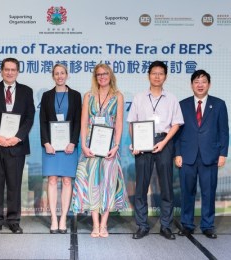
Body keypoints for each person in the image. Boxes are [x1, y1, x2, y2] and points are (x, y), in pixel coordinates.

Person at [127, 60, 184, 240]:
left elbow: (176, 124)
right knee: (141, 185)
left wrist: (165, 141)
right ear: (148, 75)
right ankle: (142, 225)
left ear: (165, 76)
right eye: (154, 73)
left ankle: (166, 226)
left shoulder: (172, 98)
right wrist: (136, 143)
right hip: (143, 141)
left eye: (161, 73)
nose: (157, 76)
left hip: (164, 141)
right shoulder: (139, 97)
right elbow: (132, 122)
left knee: (166, 186)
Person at [71, 63, 129, 238]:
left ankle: (104, 224)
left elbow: (119, 123)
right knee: (92, 185)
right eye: (98, 74)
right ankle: (95, 225)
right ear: (95, 77)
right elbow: (83, 122)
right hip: (91, 147)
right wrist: (83, 145)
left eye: (105, 74)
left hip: (110, 148)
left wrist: (116, 145)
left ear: (110, 75)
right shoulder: (88, 96)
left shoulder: (118, 96)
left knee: (108, 185)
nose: (102, 77)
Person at [0, 57, 35, 234]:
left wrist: (17, 137)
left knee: (14, 185)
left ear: (18, 72)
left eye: (13, 69)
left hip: (16, 147)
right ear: (1, 71)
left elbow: (29, 117)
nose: (10, 72)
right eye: (7, 69)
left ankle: (13, 221)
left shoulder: (27, 91)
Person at [175, 70, 229, 239]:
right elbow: (177, 132)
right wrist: (177, 153)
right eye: (196, 81)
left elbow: (224, 131)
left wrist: (223, 153)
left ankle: (207, 225)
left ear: (209, 84)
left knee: (209, 192)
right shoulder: (182, 104)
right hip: (187, 156)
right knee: (187, 192)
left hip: (210, 156)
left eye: (203, 81)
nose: (200, 85)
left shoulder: (219, 104)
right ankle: (187, 224)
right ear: (191, 85)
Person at [39, 64, 81, 234]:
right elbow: (42, 121)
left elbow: (78, 121)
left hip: (68, 146)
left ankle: (63, 217)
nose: (59, 76)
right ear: (53, 76)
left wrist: (73, 142)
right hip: (51, 146)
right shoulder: (47, 96)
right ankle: (53, 218)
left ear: (67, 75)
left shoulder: (76, 95)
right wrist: (46, 143)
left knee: (66, 181)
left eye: (62, 73)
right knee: (51, 180)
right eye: (56, 73)